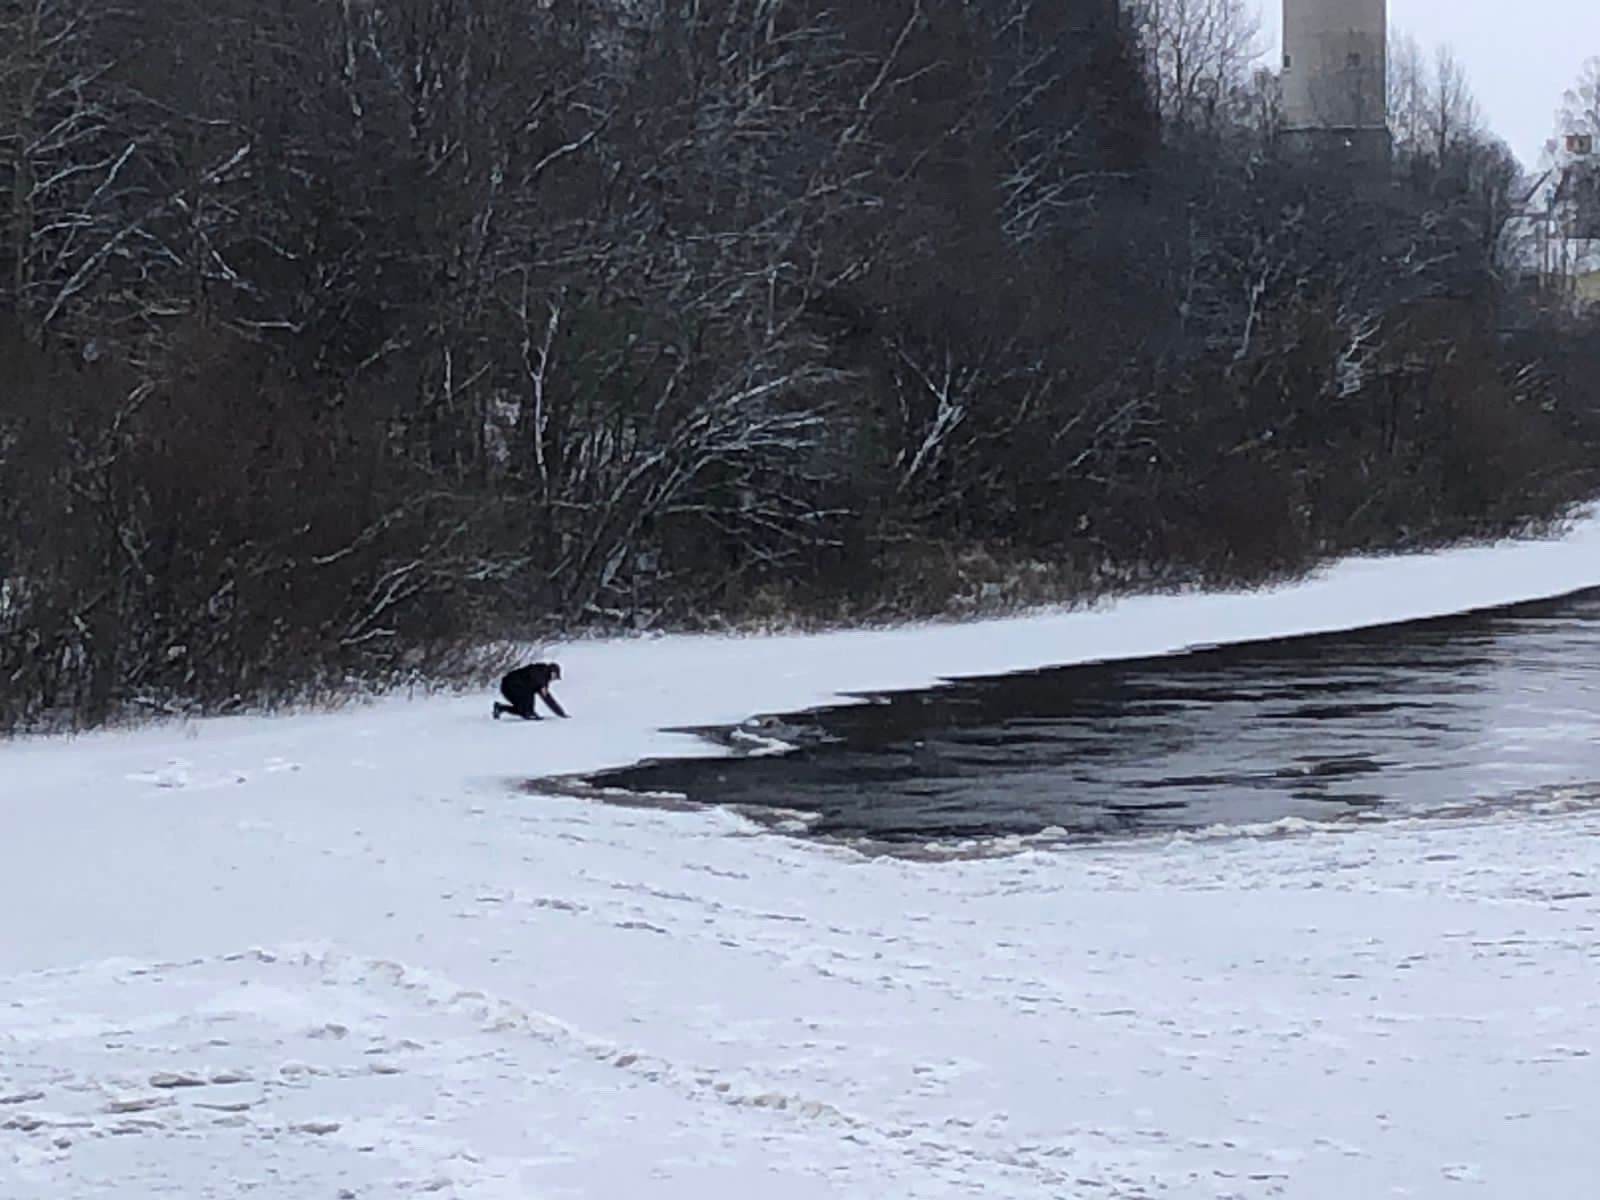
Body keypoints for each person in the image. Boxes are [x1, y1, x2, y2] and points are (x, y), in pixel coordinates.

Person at [492, 662, 569, 720]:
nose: (554, 679)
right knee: (528, 695)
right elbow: (535, 676)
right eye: (555, 676)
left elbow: (548, 699)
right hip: (510, 685)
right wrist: (542, 685)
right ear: (553, 672)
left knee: (522, 710)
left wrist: (561, 713)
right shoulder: (540, 670)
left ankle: (500, 708)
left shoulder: (543, 681)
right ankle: (529, 713)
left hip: (511, 688)